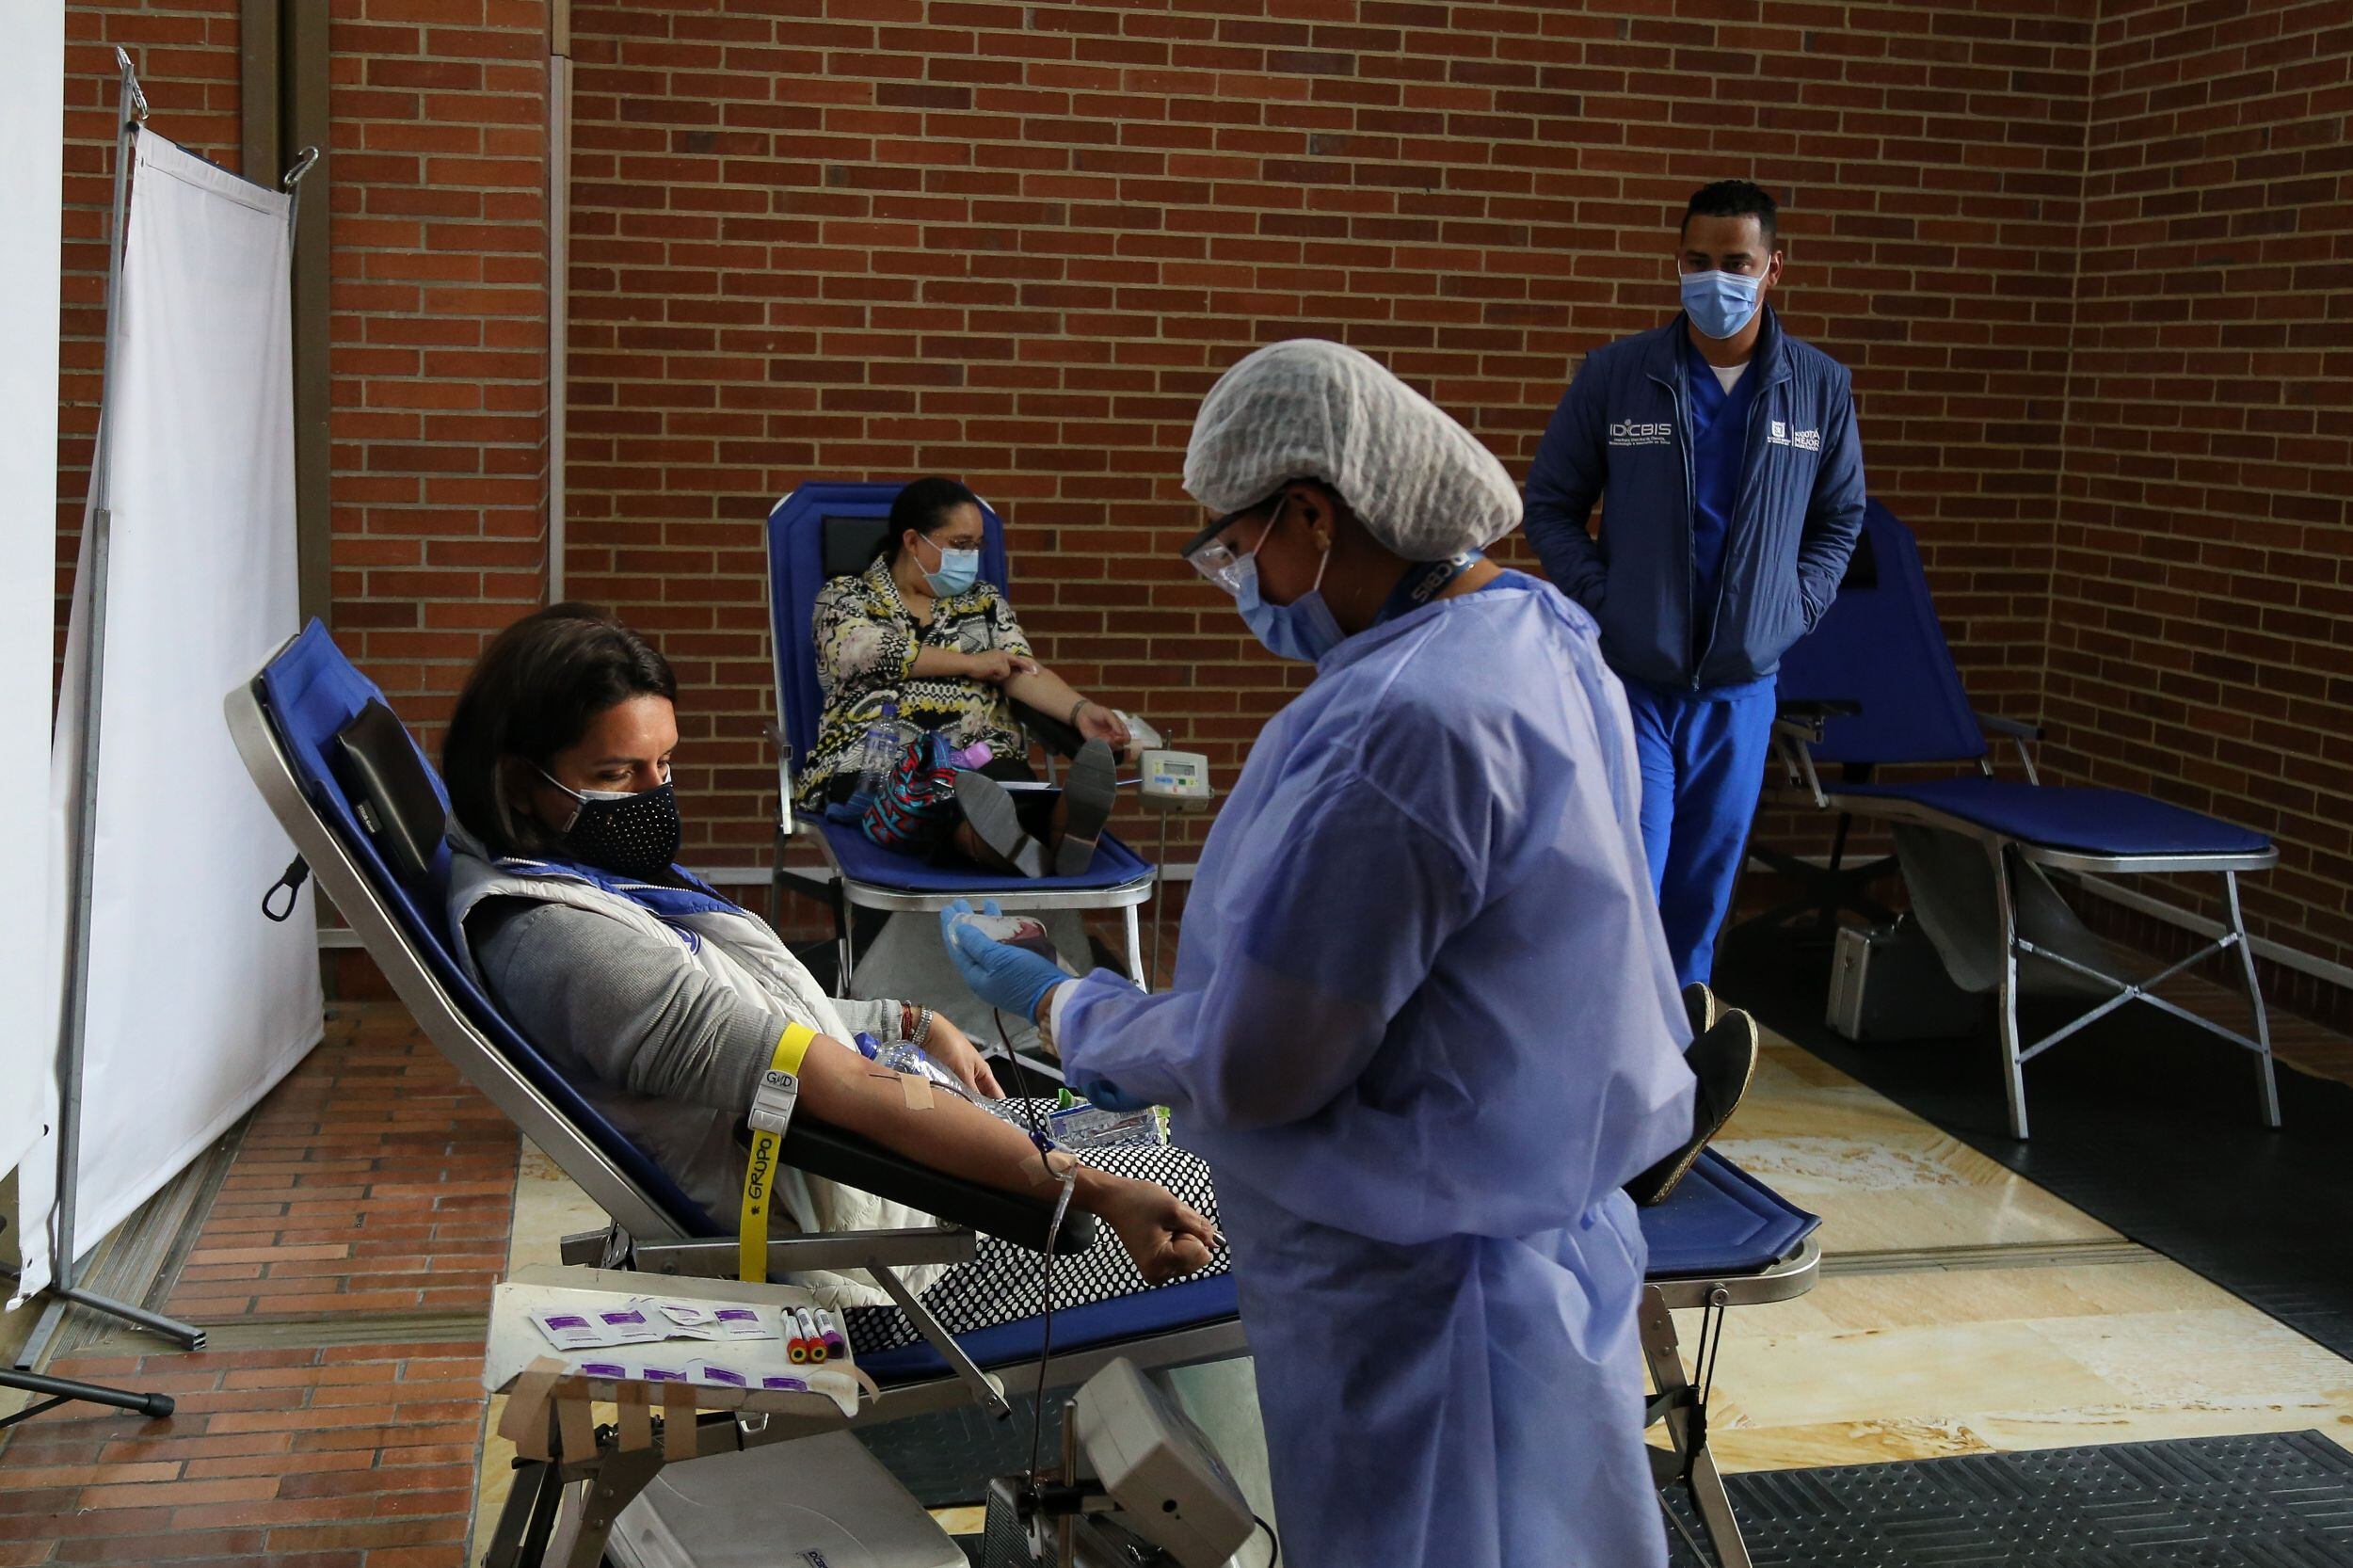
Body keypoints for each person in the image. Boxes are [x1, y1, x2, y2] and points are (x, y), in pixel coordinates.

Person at [942, 340, 1703, 1567]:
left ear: (1312, 511)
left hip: (1412, 1289)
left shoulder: (1404, 724)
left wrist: (1070, 1011)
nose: (1230, 577)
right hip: (1510, 1237)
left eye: (1230, 545)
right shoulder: (1537, 633)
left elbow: (1263, 1059)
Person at [439, 603, 1219, 1336]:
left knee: (1151, 1134)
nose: (655, 795)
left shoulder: (577, 877)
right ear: (517, 781)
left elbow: (759, 1021)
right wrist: (1102, 1193)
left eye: (665, 763)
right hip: (876, 1273)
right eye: (617, 774)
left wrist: (908, 1022)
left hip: (873, 1198)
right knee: (1222, 1194)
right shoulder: (571, 947)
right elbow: (836, 1090)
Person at [1525, 180, 1866, 986]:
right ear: (1677, 263)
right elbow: (1550, 505)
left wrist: (1792, 610)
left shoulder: (1819, 388)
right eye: (1699, 260)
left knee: (1701, 892)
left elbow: (1839, 522)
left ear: (1774, 267)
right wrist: (1606, 604)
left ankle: (1677, 1075)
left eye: (1736, 262)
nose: (1717, 278)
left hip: (1742, 689)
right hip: (1634, 679)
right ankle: (1604, 1057)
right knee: (1628, 878)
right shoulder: (1619, 375)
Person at [800, 475, 1135, 876]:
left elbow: (1022, 670)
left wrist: (1080, 710)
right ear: (912, 541)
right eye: (960, 545)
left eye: (977, 545)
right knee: (924, 800)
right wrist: (971, 662)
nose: (971, 557)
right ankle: (1043, 835)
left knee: (1004, 791)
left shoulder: (985, 602)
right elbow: (866, 652)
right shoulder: (846, 596)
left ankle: (1034, 834)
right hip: (878, 756)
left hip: (980, 751)